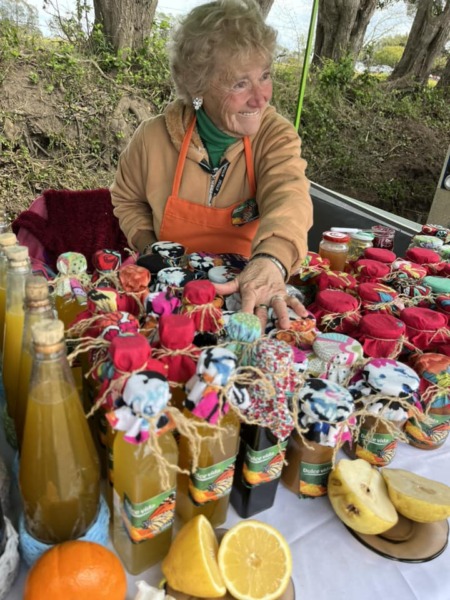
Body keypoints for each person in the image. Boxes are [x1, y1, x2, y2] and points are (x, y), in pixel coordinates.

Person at [110, 0, 313, 330]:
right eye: (240, 83)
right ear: (198, 85)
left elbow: (289, 199)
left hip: (248, 289)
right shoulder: (151, 138)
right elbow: (128, 199)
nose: (260, 97)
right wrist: (150, 247)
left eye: (264, 76)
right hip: (171, 293)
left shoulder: (274, 136)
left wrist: (272, 259)